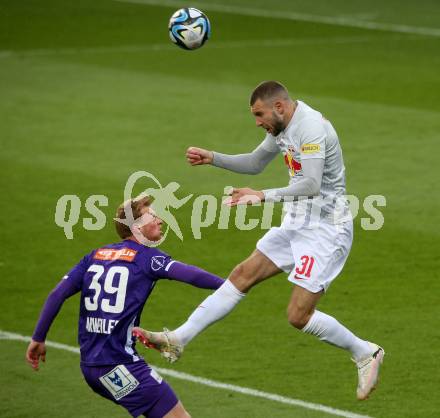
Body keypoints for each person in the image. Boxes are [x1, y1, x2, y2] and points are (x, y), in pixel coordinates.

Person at [133, 81, 385, 401]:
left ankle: (365, 352)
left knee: (298, 316)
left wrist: (261, 196)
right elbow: (254, 163)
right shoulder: (282, 128)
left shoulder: (311, 129)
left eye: (259, 114)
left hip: (326, 231)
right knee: (242, 274)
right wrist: (213, 157)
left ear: (279, 107)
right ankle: (179, 338)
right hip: (298, 222)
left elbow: (310, 183)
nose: (257, 122)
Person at [26, 196, 224, 418]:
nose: (160, 221)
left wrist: (38, 338)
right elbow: (192, 274)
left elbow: (56, 294)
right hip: (119, 364)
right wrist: (231, 287)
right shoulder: (147, 258)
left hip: (91, 366)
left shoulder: (94, 257)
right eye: (153, 216)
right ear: (136, 226)